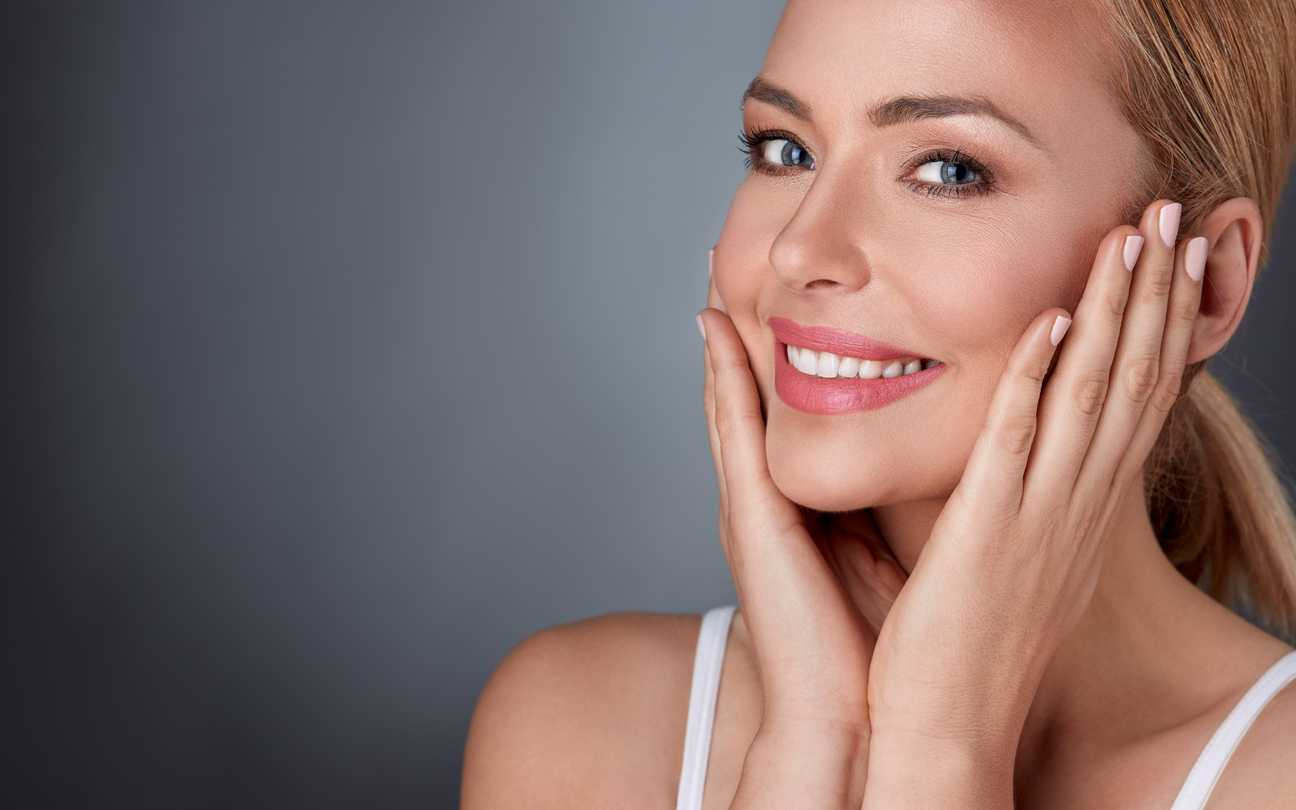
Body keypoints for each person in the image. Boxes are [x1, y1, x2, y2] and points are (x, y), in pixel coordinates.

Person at [461, 0, 1296, 806]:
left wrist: (943, 752)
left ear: (1210, 282)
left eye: (947, 171)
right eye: (784, 150)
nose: (800, 250)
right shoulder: (583, 728)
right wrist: (814, 739)